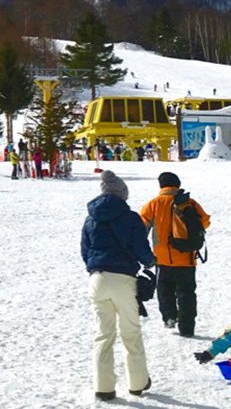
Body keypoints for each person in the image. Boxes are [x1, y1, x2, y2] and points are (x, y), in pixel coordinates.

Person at [81, 170, 156, 401]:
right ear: (122, 193)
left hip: (97, 279)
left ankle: (103, 388)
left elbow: (85, 251)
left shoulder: (91, 218)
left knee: (103, 334)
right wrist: (150, 261)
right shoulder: (131, 217)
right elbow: (140, 248)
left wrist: (96, 268)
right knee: (130, 332)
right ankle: (137, 383)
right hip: (123, 279)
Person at [138, 171, 210, 337]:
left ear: (161, 186)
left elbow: (141, 229)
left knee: (164, 289)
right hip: (186, 257)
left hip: (162, 258)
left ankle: (169, 316)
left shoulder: (153, 204)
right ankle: (187, 327)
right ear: (177, 185)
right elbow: (205, 222)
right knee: (186, 292)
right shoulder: (189, 202)